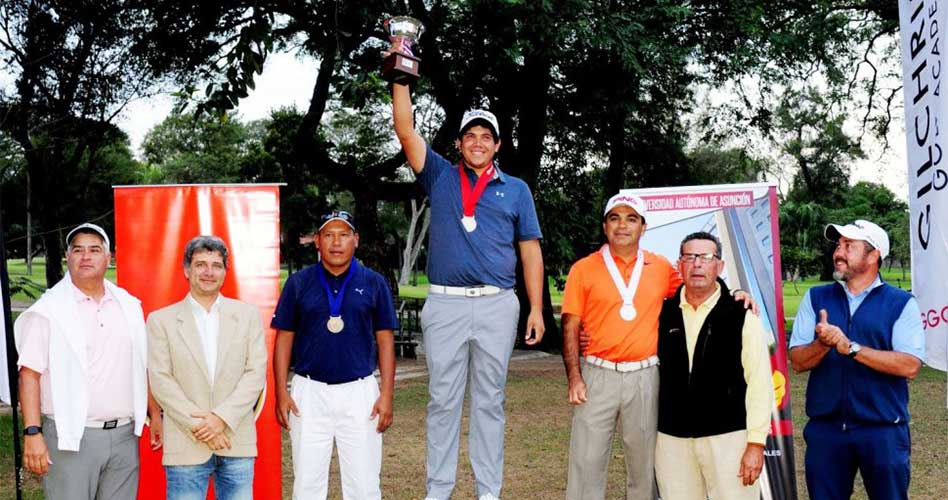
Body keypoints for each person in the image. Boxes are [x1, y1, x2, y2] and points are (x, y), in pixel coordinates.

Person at [391, 70, 545, 499]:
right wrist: (400, 74)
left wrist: (535, 308)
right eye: (470, 136)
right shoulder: (439, 175)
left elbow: (530, 250)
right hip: (446, 305)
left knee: (489, 403)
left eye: (486, 137)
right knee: (442, 401)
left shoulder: (516, 189)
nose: (477, 142)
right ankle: (438, 490)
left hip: (498, 304)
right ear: (459, 143)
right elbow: (405, 129)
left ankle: (488, 492)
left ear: (497, 144)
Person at [563, 192, 756, 500]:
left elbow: (698, 285)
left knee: (643, 465)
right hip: (597, 374)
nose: (622, 226)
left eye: (631, 219)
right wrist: (575, 377)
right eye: (615, 218)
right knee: (586, 461)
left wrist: (736, 292)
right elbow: (571, 324)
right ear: (604, 227)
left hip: (645, 375)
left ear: (643, 227)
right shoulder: (583, 269)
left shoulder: (661, 267)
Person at [14, 222, 158, 500]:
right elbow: (28, 375)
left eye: (94, 250)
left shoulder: (129, 305)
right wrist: (32, 433)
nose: (85, 256)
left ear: (109, 257)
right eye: (77, 250)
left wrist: (155, 415)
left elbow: (141, 365)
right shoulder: (48, 310)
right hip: (72, 438)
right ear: (68, 257)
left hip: (125, 436)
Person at [789, 219, 925, 500]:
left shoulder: (901, 303)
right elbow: (798, 361)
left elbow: (909, 365)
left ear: (874, 255)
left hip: (882, 431)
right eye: (838, 245)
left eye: (849, 245)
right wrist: (823, 344)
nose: (838, 252)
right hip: (826, 432)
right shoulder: (816, 297)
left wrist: (850, 347)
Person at [272, 210, 397, 500]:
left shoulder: (373, 282)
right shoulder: (299, 283)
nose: (336, 242)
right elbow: (284, 338)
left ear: (356, 239)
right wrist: (281, 391)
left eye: (343, 234)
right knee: (307, 482)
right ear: (318, 241)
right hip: (309, 392)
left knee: (364, 482)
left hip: (360, 391)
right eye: (329, 235)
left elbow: (385, 340)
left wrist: (387, 394)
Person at [147, 235, 267, 500]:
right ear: (187, 270)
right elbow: (160, 380)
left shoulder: (247, 316)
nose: (209, 272)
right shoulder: (161, 321)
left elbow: (255, 373)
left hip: (236, 441)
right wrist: (202, 427)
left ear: (225, 271)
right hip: (185, 442)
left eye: (216, 265)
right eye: (201, 264)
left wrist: (221, 419)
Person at [654, 231, 772, 500]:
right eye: (690, 257)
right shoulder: (662, 313)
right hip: (673, 440)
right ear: (679, 265)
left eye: (706, 257)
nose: (697, 264)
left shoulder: (742, 313)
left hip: (729, 438)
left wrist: (755, 443)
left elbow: (759, 382)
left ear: (720, 266)